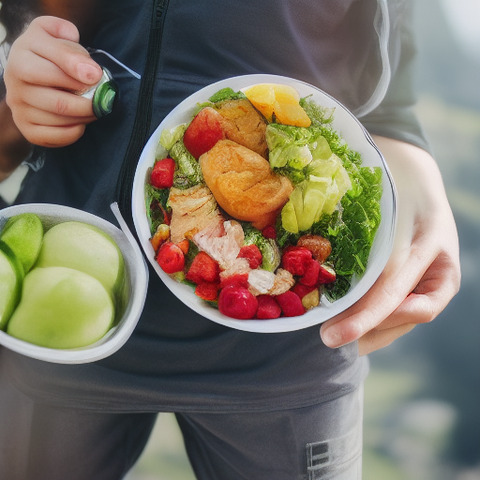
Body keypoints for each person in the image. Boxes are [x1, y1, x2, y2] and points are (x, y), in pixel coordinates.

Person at [0, 1, 461, 479]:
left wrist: (409, 149)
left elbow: (385, 37)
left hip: (284, 356)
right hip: (65, 307)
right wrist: (17, 77)